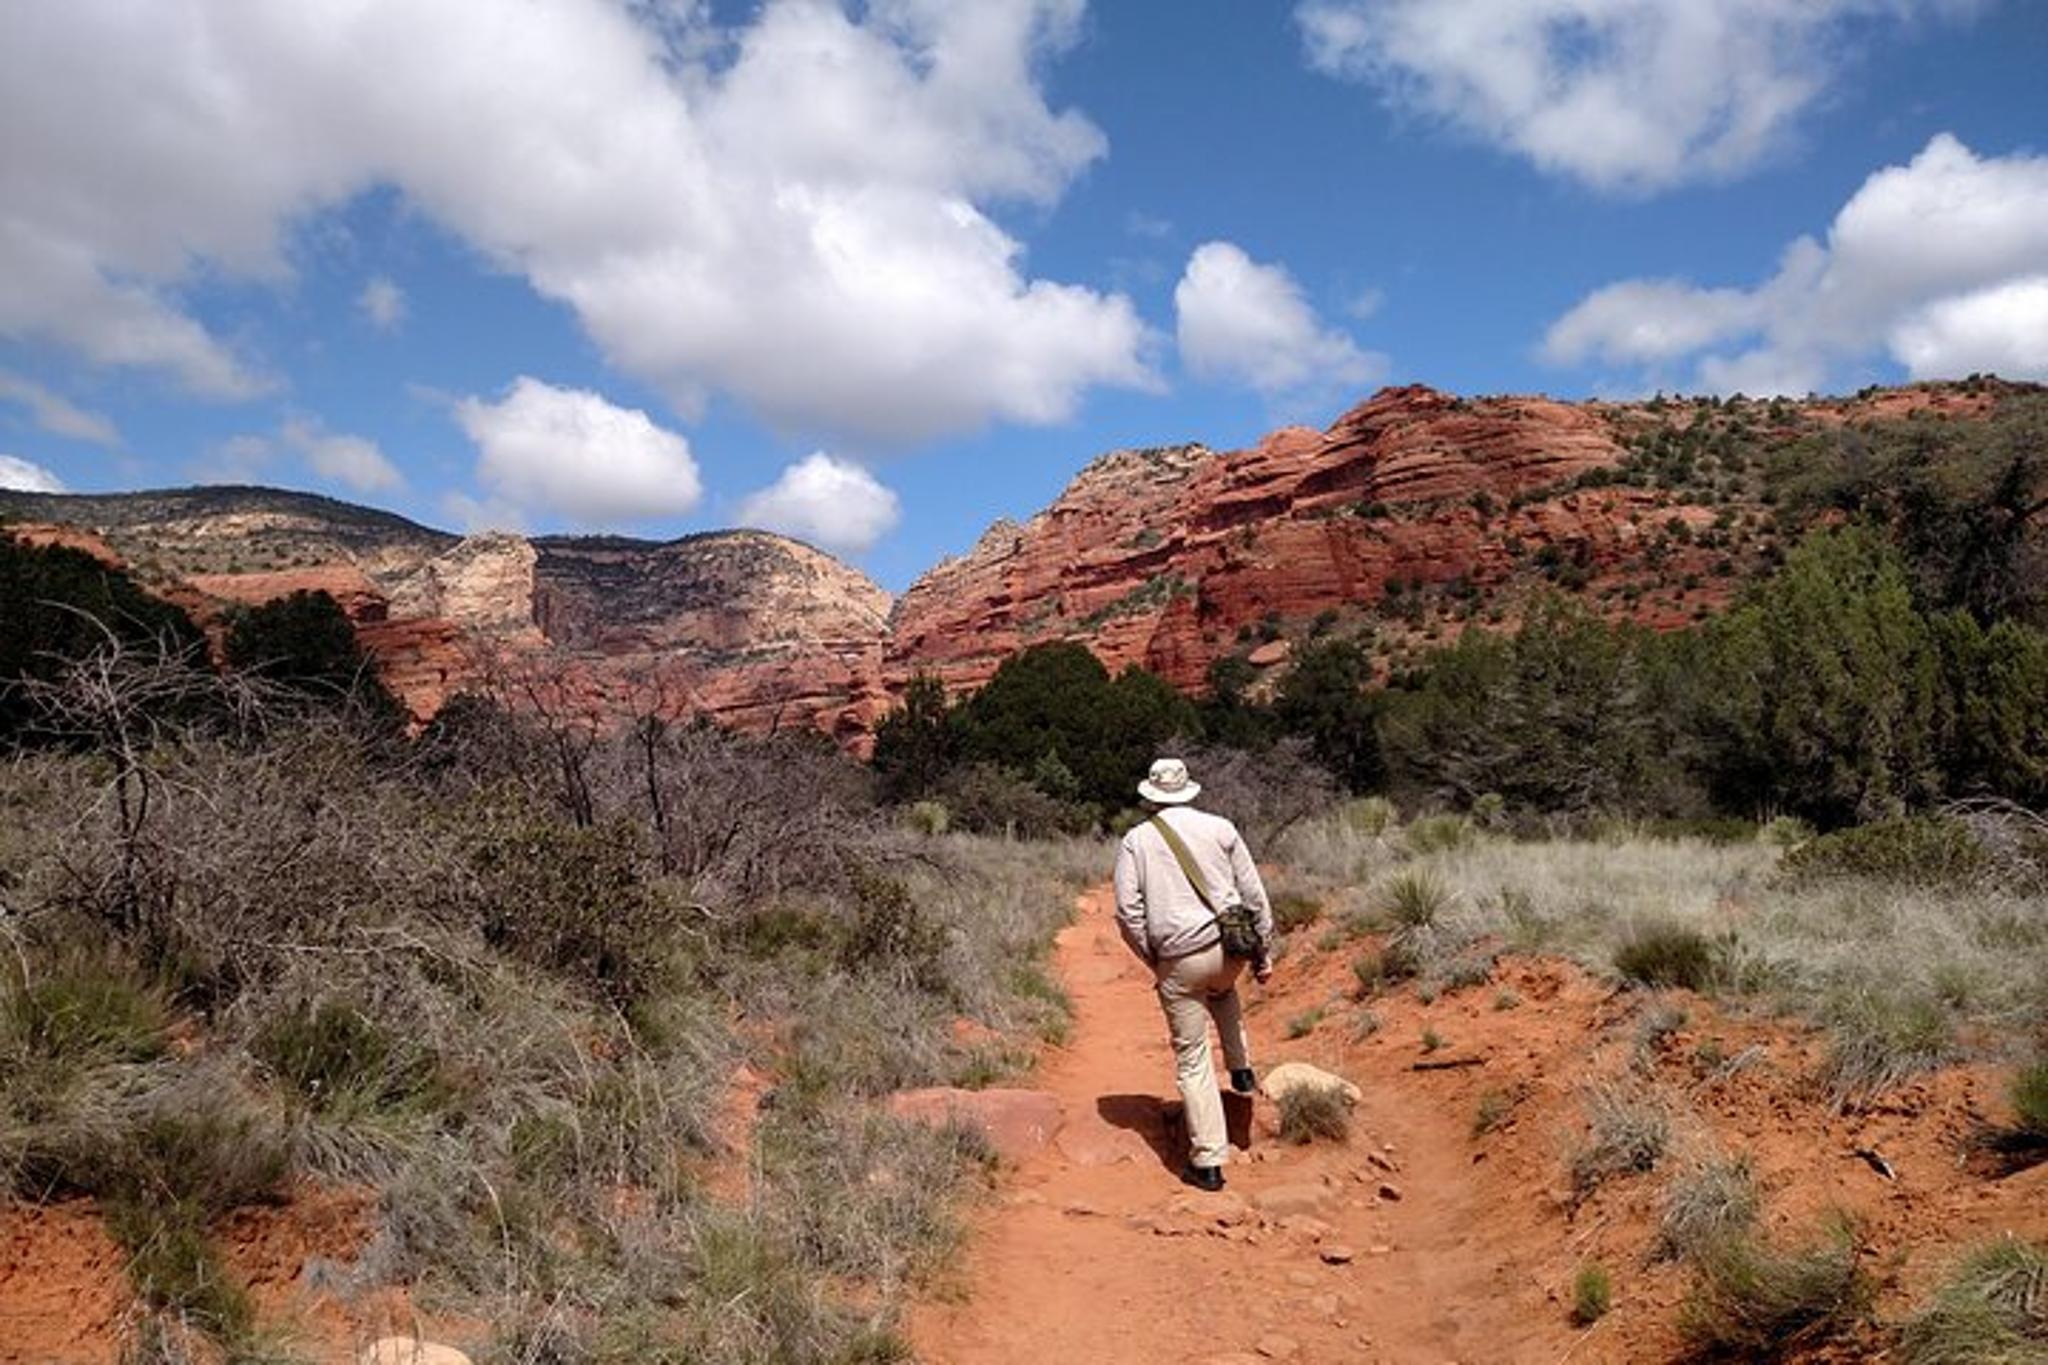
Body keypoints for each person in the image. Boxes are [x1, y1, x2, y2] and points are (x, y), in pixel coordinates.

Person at [1113, 757, 1275, 1191]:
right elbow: (1254, 894)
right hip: (1230, 949)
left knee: (1192, 1057)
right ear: (1188, 790)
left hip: (1179, 958)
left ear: (1150, 795)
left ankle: (1207, 1162)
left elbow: (1128, 912)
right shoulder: (1221, 827)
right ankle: (1242, 1070)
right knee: (1221, 991)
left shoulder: (1136, 841)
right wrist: (1263, 949)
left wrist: (1155, 957)